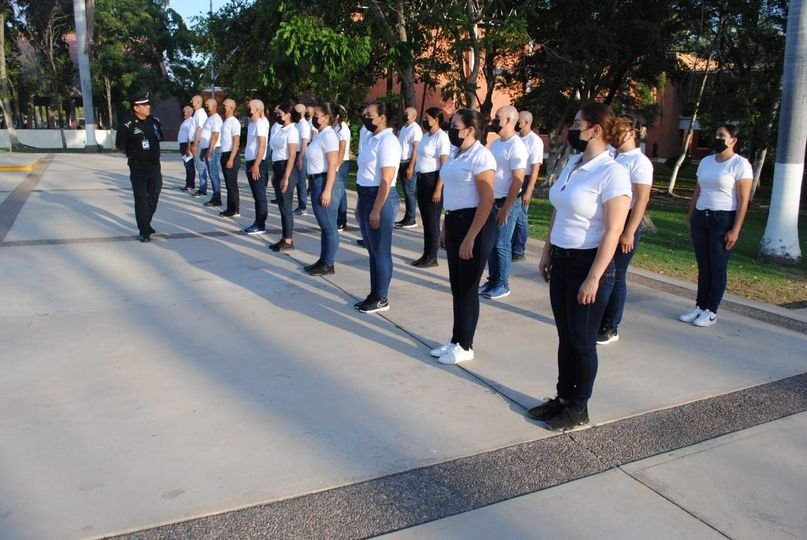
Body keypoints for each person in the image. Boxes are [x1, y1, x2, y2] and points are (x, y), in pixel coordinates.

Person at [529, 102, 631, 431]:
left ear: (595, 130)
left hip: (589, 264)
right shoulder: (574, 164)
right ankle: (562, 398)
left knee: (583, 341)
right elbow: (559, 210)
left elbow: (614, 230)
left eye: (577, 124)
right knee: (566, 336)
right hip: (562, 259)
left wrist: (594, 277)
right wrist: (547, 251)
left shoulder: (613, 173)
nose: (571, 129)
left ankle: (579, 406)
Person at [429, 108, 497, 365]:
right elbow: (453, 193)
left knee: (468, 288)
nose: (451, 129)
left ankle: (466, 345)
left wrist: (471, 237)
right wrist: (445, 228)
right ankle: (456, 340)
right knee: (457, 286)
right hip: (455, 220)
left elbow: (487, 200)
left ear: (470, 130)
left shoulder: (482, 157)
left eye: (455, 125)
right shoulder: (457, 153)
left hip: (475, 224)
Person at [679, 125, 752, 327]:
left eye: (722, 136)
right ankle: (700, 306)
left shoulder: (740, 164)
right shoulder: (706, 161)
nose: (717, 138)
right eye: (716, 134)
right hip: (701, 216)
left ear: (733, 141)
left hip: (723, 219)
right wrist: (691, 217)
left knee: (717, 266)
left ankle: (711, 311)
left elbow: (743, 200)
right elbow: (697, 191)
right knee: (704, 266)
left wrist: (735, 229)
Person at [597, 115, 653, 344]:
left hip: (626, 219)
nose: (615, 137)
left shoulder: (639, 162)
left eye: (620, 132)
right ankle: (599, 318)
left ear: (632, 133)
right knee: (602, 271)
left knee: (616, 274)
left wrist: (629, 231)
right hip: (607, 217)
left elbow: (641, 199)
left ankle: (611, 325)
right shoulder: (612, 156)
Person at [354, 102, 402, 313]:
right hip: (366, 196)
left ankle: (381, 297)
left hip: (380, 198)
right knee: (373, 251)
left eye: (369, 114)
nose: (365, 117)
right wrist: (360, 203)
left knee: (381, 251)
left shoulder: (388, 141)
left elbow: (386, 179)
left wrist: (376, 209)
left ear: (382, 117)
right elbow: (364, 174)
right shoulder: (371, 139)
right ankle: (374, 293)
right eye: (364, 113)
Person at [480, 105, 527, 300]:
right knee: (491, 242)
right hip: (492, 200)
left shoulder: (517, 146)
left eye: (497, 117)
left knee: (501, 243)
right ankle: (492, 280)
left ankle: (502, 284)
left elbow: (518, 179)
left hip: (507, 202)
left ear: (508, 120)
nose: (493, 120)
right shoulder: (496, 143)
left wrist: (506, 207)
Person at [115, 92, 163, 243]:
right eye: (144, 105)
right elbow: (120, 146)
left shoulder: (154, 121)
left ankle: (146, 222)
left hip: (154, 165)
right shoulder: (127, 125)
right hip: (138, 167)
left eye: (148, 104)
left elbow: (159, 139)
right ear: (136, 108)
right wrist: (134, 153)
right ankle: (144, 230)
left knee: (154, 194)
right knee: (141, 197)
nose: (148, 107)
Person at [304, 102, 344, 276]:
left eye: (316, 116)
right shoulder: (320, 135)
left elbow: (333, 165)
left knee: (329, 226)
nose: (313, 118)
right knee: (324, 225)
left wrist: (327, 190)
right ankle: (323, 259)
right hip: (316, 181)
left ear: (326, 118)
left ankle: (329, 263)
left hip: (325, 181)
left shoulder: (329, 136)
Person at [411, 107, 450, 268]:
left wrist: (438, 188)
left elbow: (444, 165)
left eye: (428, 119)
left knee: (432, 221)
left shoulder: (442, 137)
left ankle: (432, 256)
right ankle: (426, 253)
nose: (425, 121)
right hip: (422, 179)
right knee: (426, 221)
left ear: (436, 120)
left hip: (433, 180)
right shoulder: (426, 136)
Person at [511, 111, 544, 261]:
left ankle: (519, 249)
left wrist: (529, 190)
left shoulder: (535, 141)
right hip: (513, 177)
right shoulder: (516, 138)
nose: (516, 123)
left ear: (526, 122)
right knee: (512, 214)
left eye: (518, 121)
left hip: (525, 179)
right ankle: (511, 245)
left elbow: (535, 168)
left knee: (521, 216)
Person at [269, 102, 300, 251]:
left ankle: (288, 240)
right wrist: (275, 174)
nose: (277, 116)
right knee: (282, 206)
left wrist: (286, 177)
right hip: (278, 167)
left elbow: (292, 155)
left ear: (288, 115)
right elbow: (275, 151)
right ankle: (284, 237)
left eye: (280, 114)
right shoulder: (281, 129)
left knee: (286, 206)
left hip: (286, 168)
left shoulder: (292, 130)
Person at [242, 99, 270, 235]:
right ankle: (257, 222)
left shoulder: (260, 124)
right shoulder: (253, 123)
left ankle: (260, 224)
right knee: (256, 195)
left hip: (257, 162)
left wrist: (256, 165)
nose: (248, 109)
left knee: (260, 195)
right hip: (250, 161)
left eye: (250, 107)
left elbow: (262, 145)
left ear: (258, 109)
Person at [395, 106, 423, 228]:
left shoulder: (415, 129)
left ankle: (411, 218)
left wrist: (411, 166)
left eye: (407, 113)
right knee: (405, 191)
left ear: (413, 116)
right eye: (404, 113)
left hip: (408, 162)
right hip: (401, 162)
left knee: (409, 192)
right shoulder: (404, 128)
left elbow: (416, 148)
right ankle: (407, 217)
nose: (404, 115)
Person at [219, 98, 241, 218]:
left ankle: (234, 209)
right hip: (224, 154)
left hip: (230, 155)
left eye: (225, 106)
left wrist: (231, 158)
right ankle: (230, 207)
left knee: (232, 184)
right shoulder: (225, 122)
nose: (223, 108)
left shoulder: (234, 122)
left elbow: (236, 142)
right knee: (228, 184)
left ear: (231, 108)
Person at [201, 98, 223, 207]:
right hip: (207, 149)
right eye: (205, 105)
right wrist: (203, 151)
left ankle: (217, 198)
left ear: (214, 106)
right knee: (211, 173)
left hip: (213, 150)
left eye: (207, 105)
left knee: (213, 173)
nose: (206, 106)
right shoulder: (209, 118)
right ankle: (215, 196)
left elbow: (215, 134)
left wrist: (210, 150)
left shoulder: (216, 119)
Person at [292, 103, 311, 216]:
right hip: (295, 152)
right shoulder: (296, 124)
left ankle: (303, 206)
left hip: (301, 153)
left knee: (301, 182)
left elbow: (304, 143)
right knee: (296, 180)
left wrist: (300, 158)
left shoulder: (304, 125)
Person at [335, 105, 351, 232]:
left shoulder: (343, 128)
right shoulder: (334, 127)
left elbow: (342, 148)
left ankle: (342, 220)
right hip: (335, 162)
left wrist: (337, 165)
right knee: (336, 192)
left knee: (340, 192)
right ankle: (338, 218)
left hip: (341, 162)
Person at [189, 95, 208, 197]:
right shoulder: (197, 113)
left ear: (198, 102)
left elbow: (200, 129)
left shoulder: (200, 113)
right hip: (196, 142)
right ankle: (202, 187)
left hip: (199, 142)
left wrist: (195, 144)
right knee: (199, 165)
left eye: (193, 100)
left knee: (201, 166)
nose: (191, 102)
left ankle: (203, 189)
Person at [178, 105, 196, 191]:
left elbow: (190, 135)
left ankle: (190, 185)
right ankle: (188, 183)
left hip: (186, 145)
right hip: (183, 144)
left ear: (189, 112)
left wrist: (188, 148)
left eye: (184, 111)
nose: (183, 113)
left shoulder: (191, 121)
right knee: (186, 165)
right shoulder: (186, 121)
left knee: (189, 165)